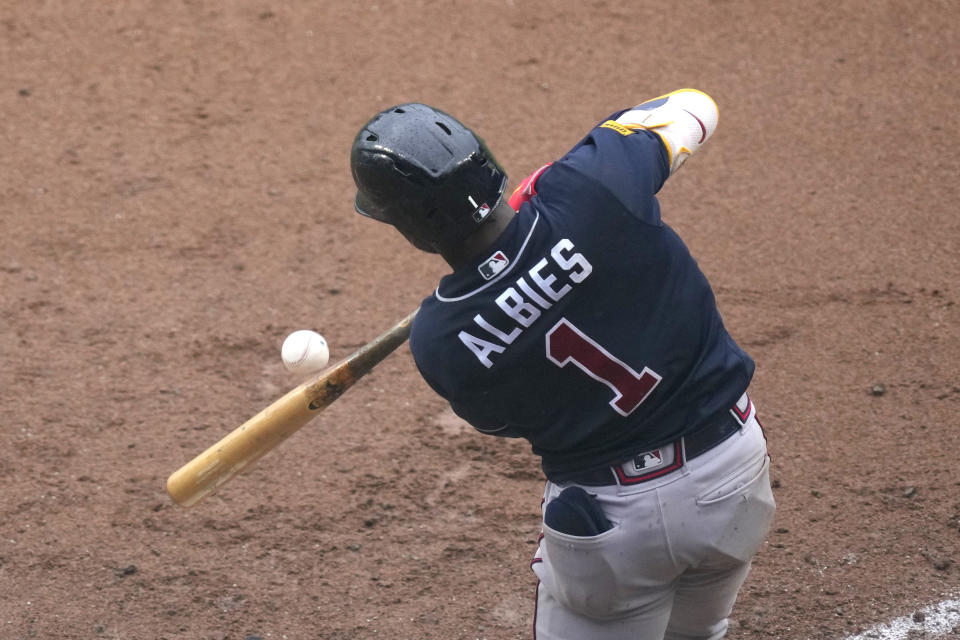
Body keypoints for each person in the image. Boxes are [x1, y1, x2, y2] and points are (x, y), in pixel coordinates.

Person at [349, 91, 776, 640]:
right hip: (736, 473)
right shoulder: (591, 184)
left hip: (617, 532)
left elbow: (502, 423)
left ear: (407, 228)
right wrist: (566, 174)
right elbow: (696, 108)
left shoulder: (442, 340)